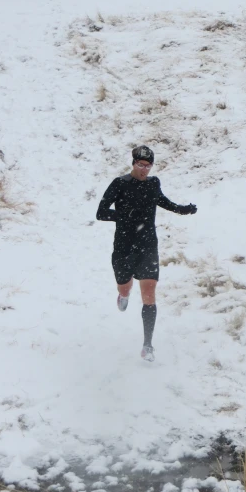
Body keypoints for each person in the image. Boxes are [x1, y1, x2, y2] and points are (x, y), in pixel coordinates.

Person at [96, 146, 197, 361]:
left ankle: (147, 345)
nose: (144, 170)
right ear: (133, 163)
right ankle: (124, 294)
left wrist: (182, 209)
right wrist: (124, 215)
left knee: (149, 295)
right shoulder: (119, 184)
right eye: (140, 165)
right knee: (124, 284)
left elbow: (162, 201)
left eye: (148, 166)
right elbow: (101, 213)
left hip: (148, 245)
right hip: (124, 246)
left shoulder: (153, 184)